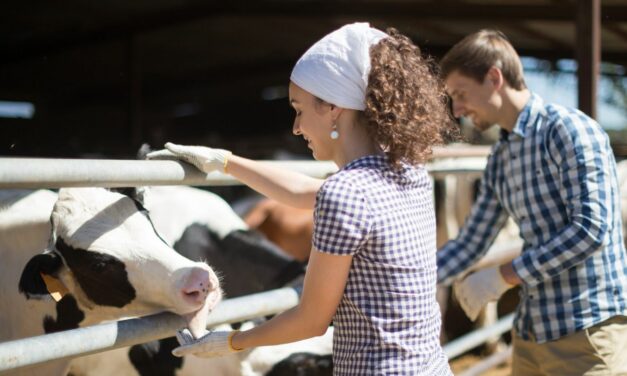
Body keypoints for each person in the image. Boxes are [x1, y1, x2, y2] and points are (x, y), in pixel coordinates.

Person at [148, 23, 455, 375]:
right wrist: (226, 162)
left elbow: (311, 320)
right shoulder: (409, 172)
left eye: (299, 109)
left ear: (333, 108)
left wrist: (230, 342)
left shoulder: (347, 193)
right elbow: (301, 191)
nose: (296, 127)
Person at [436, 29, 627, 375]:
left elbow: (591, 229)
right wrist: (413, 279)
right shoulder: (500, 158)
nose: (458, 109)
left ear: (494, 77)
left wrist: (504, 276)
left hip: (587, 334)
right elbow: (469, 243)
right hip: (530, 334)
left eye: (461, 94)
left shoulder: (569, 130)